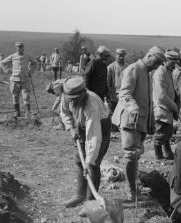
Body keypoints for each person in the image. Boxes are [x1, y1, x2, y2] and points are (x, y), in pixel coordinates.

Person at [112, 46, 166, 201]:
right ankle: (130, 191)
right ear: (148, 55)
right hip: (129, 119)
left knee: (135, 155)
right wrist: (133, 107)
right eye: (156, 62)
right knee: (130, 154)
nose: (156, 66)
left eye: (159, 64)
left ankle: (133, 187)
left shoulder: (147, 73)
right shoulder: (133, 69)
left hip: (139, 121)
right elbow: (124, 92)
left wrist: (150, 122)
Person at [59, 76, 111, 208]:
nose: (73, 101)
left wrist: (89, 161)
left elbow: (93, 137)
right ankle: (79, 195)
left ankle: (91, 203)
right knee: (79, 160)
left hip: (100, 127)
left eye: (76, 98)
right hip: (81, 125)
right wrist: (70, 128)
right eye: (71, 98)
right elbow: (64, 112)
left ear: (84, 92)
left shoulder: (91, 104)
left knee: (92, 165)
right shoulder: (67, 95)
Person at [82, 46, 112, 178]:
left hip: (100, 96)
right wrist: (87, 92)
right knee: (93, 122)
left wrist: (106, 93)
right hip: (92, 97)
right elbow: (86, 77)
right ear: (100, 54)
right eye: (105, 55)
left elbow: (103, 81)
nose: (107, 58)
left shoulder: (103, 65)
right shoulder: (94, 62)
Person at [152, 49, 180, 161]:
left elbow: (171, 90)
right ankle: (159, 156)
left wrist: (176, 101)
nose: (174, 65)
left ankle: (168, 153)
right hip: (161, 109)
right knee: (160, 134)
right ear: (165, 60)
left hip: (167, 109)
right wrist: (174, 107)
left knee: (167, 133)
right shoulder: (160, 73)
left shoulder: (168, 72)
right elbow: (161, 96)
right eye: (172, 62)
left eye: (175, 62)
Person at [0, 42, 38, 118]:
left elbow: (36, 63)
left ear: (23, 48)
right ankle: (17, 112)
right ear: (16, 48)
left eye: (21, 47)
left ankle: (28, 112)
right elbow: (2, 63)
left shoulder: (27, 56)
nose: (20, 48)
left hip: (25, 79)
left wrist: (30, 71)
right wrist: (8, 71)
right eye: (18, 47)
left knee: (26, 96)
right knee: (15, 96)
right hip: (15, 79)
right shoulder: (13, 56)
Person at [107, 48, 128, 113]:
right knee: (114, 115)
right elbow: (107, 82)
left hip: (125, 95)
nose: (121, 57)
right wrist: (107, 95)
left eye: (123, 56)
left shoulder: (128, 67)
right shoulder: (111, 67)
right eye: (120, 55)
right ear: (116, 55)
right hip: (114, 96)